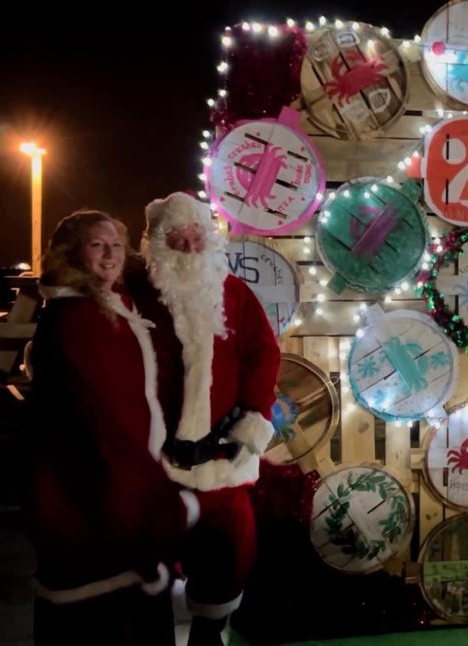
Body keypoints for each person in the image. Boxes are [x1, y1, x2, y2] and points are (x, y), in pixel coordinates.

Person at [28, 210, 200, 645]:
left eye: (116, 245)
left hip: (112, 493)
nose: (109, 254)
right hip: (95, 499)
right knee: (106, 624)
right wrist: (157, 500)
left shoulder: (108, 306)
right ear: (72, 252)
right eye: (96, 244)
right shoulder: (78, 320)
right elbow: (107, 422)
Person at [127, 192, 280, 646]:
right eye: (178, 240)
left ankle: (208, 633)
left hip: (220, 456)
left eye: (197, 237)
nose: (192, 249)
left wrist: (252, 419)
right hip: (153, 459)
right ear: (156, 245)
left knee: (230, 549)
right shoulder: (134, 295)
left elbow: (263, 355)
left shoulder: (234, 292)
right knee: (145, 551)